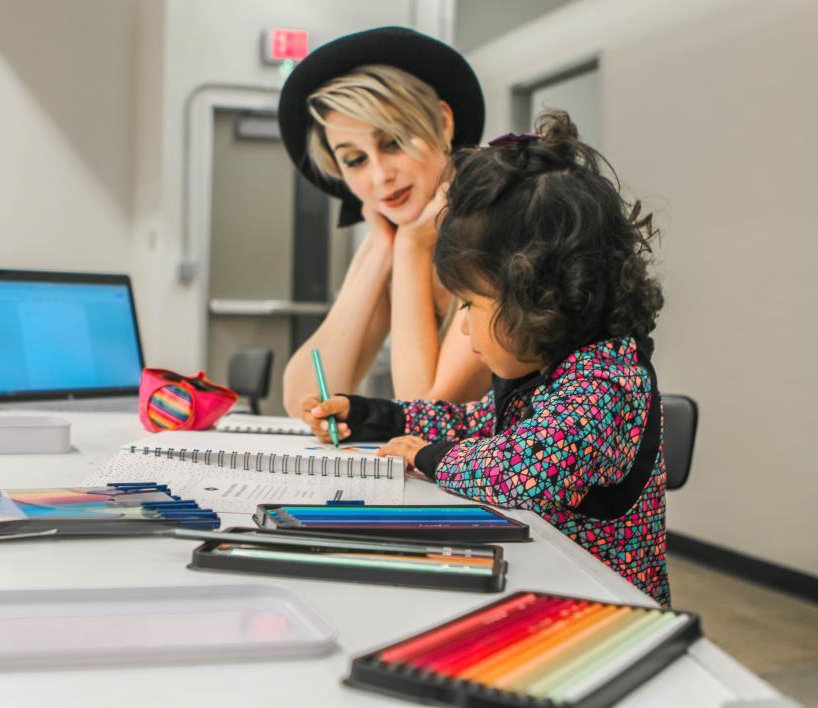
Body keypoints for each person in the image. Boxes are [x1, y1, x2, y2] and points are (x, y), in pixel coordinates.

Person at [302, 111, 670, 605]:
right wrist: (374, 417)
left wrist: (426, 457)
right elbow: (469, 423)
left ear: (537, 296)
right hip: (542, 584)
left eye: (473, 305)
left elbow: (525, 469)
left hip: (603, 608)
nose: (466, 325)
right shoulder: (547, 372)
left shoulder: (605, 382)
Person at [278, 27, 491, 416]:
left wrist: (411, 244)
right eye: (355, 160)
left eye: (392, 142)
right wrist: (379, 249)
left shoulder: (501, 233)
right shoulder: (392, 238)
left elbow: (427, 414)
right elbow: (304, 400)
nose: (380, 177)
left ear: (443, 123)